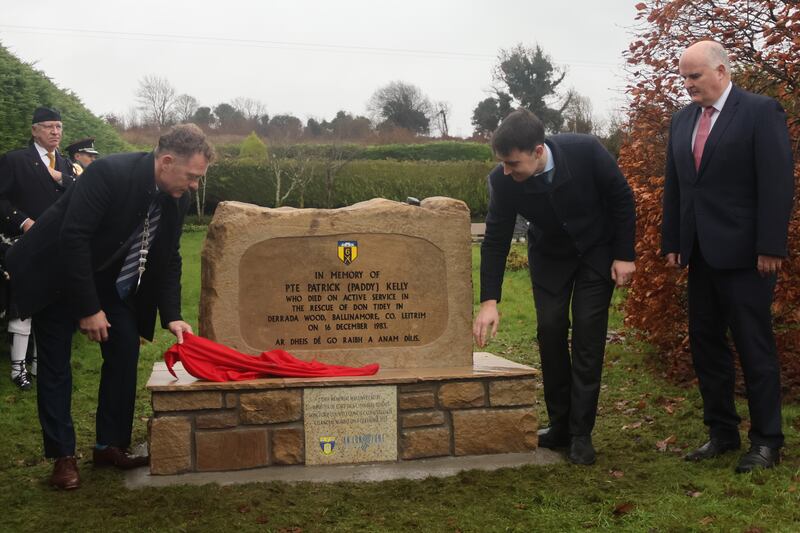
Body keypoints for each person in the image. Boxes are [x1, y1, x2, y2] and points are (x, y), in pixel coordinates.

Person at [6, 123, 214, 489]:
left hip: (104, 280)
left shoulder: (176, 197)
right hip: (55, 272)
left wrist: (172, 315)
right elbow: (73, 238)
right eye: (193, 176)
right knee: (55, 366)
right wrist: (88, 309)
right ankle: (63, 457)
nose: (196, 185)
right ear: (167, 162)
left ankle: (109, 445)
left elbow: (169, 256)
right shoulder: (109, 173)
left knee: (124, 348)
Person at [473, 109, 636, 465]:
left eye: (513, 163)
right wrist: (489, 301)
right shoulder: (503, 181)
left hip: (596, 253)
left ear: (537, 151)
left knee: (588, 335)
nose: (506, 171)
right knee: (550, 329)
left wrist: (624, 254)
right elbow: (496, 239)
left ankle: (581, 434)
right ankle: (560, 425)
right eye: (502, 163)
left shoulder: (586, 151)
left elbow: (622, 198)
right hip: (550, 259)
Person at [661, 41, 794, 473]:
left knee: (754, 347)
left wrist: (770, 245)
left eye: (694, 76)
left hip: (747, 257)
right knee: (706, 345)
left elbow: (777, 181)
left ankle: (767, 441)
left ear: (721, 71)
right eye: (683, 77)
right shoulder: (682, 120)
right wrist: (673, 240)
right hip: (699, 254)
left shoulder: (759, 112)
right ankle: (722, 432)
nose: (687, 84)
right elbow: (678, 186)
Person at [0, 106, 77, 390]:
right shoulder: (15, 160)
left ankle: (39, 362)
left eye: (59, 127)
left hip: (58, 248)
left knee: (52, 305)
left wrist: (63, 178)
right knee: (24, 305)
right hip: (26, 244)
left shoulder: (66, 165)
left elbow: (78, 194)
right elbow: (1, 199)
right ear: (34, 130)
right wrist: (23, 222)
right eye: (48, 127)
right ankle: (18, 366)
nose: (55, 132)